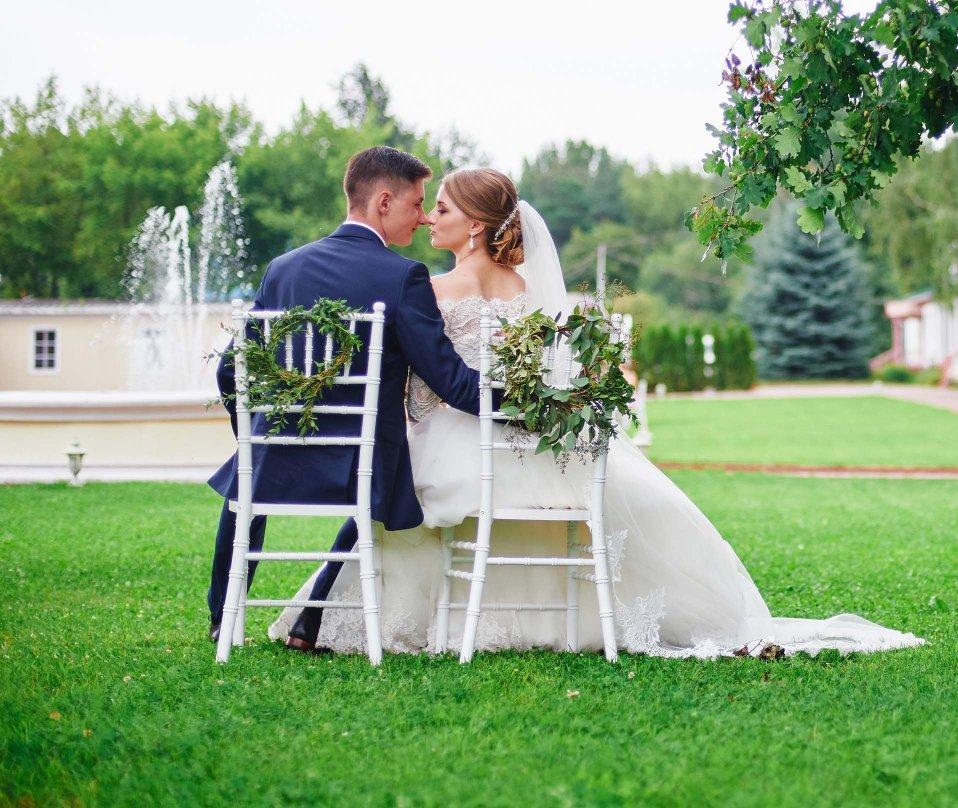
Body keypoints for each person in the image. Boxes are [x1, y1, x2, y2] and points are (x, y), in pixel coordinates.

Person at [270, 168, 925, 658]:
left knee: (399, 481)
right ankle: (565, 619)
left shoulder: (433, 288)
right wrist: (533, 410)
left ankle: (346, 616)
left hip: (465, 432)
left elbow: (433, 380)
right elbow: (549, 370)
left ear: (473, 225)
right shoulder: (529, 291)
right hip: (528, 438)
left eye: (439, 208)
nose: (426, 219)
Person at [206, 146, 487, 652]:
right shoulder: (403, 277)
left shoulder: (282, 269)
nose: (423, 217)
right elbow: (449, 380)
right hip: (361, 464)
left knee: (244, 476)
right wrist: (525, 403)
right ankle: (309, 618)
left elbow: (231, 369)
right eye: (416, 204)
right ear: (384, 202)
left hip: (278, 455)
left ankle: (220, 616)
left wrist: (251, 433)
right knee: (403, 469)